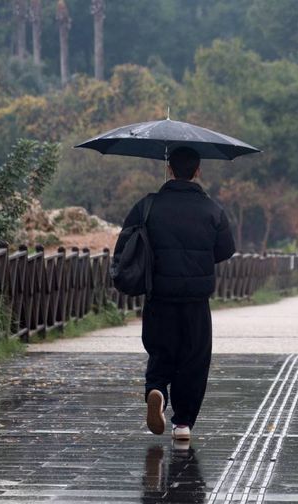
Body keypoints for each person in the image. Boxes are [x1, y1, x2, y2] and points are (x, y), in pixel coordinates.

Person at [115, 146, 235, 443]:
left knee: (161, 349)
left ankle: (156, 390)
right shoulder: (212, 209)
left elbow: (126, 242)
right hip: (196, 298)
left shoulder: (148, 206)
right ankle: (182, 424)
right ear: (198, 171)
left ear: (169, 170)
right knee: (194, 358)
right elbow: (226, 249)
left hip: (160, 295)